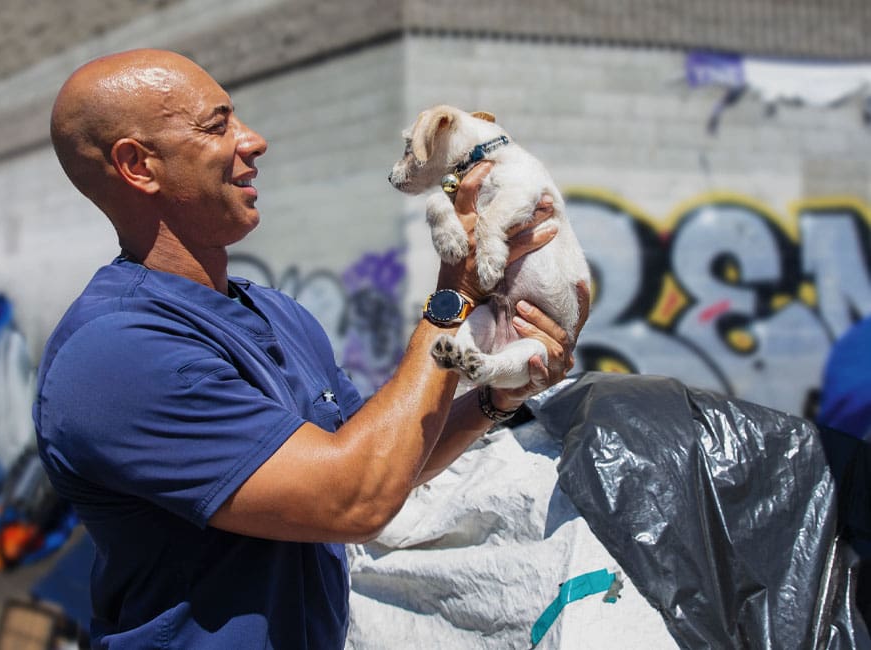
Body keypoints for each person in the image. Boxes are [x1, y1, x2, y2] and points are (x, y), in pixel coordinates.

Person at [34, 48, 581, 649]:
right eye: (217, 125)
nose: (255, 140)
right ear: (139, 166)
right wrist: (455, 297)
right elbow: (355, 500)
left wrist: (494, 402)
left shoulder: (276, 314)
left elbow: (389, 464)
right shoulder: (116, 353)